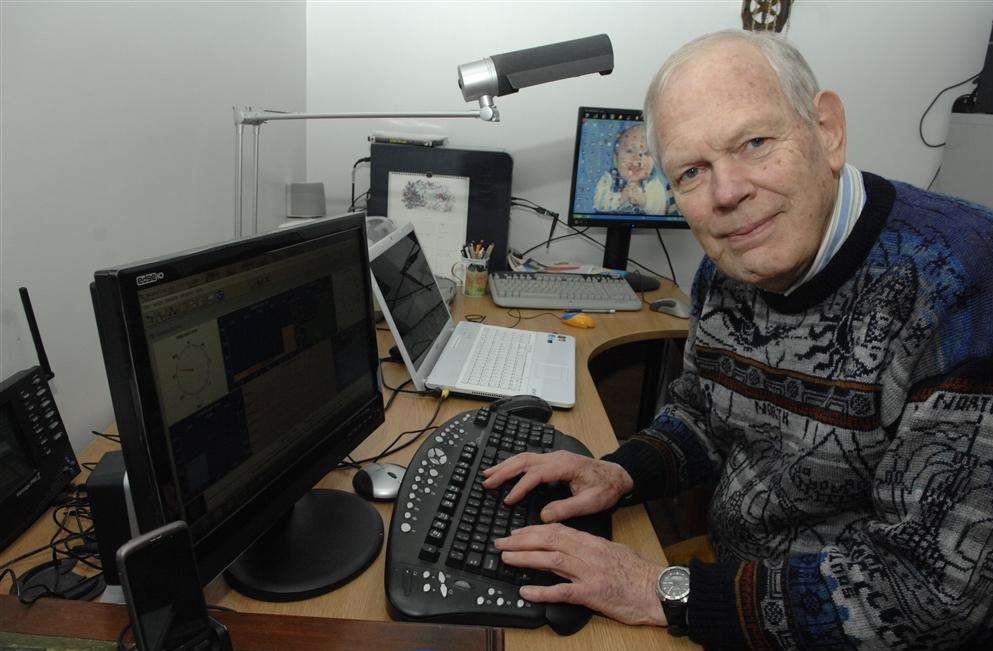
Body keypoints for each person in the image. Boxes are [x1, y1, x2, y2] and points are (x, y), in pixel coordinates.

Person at [484, 29, 993, 649]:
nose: (727, 194)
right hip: (737, 590)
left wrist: (661, 591)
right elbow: (704, 415)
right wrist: (617, 474)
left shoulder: (964, 283)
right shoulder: (728, 267)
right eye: (693, 171)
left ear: (827, 130)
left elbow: (929, 596)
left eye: (754, 143)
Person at [592, 123, 671, 215]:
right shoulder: (609, 178)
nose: (637, 159)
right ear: (616, 158)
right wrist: (621, 197)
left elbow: (661, 211)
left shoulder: (653, 183)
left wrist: (645, 201)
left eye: (646, 153)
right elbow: (598, 203)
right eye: (629, 151)